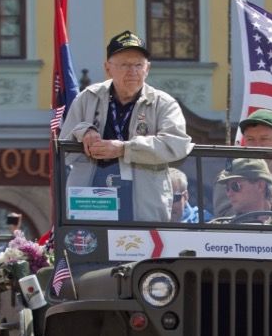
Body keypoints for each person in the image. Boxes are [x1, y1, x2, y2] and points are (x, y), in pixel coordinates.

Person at [60, 30, 193, 223]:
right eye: (124, 65)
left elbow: (177, 144)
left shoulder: (163, 103)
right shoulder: (88, 98)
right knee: (92, 251)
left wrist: (124, 149)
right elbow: (64, 149)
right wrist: (84, 131)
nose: (133, 71)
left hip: (144, 210)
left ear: (147, 69)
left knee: (144, 253)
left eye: (139, 65)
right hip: (91, 204)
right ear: (108, 68)